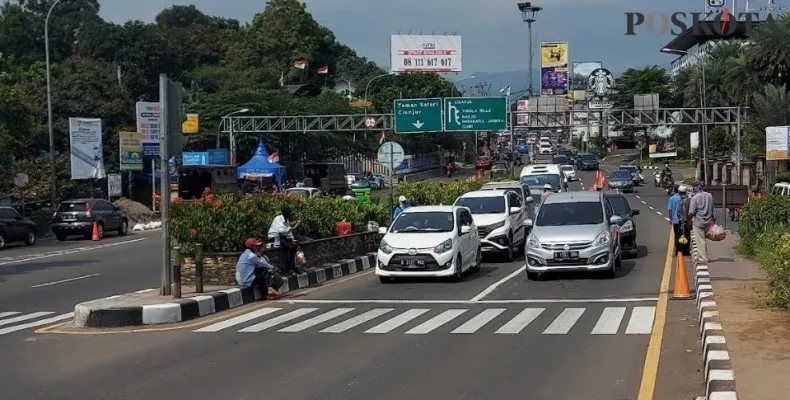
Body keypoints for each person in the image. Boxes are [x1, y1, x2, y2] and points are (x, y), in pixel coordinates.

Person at [267, 205, 302, 275]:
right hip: (274, 236)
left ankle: (294, 267)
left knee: (295, 246)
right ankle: (289, 268)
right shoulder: (278, 218)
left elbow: (288, 233)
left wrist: (292, 239)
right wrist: (294, 227)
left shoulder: (287, 220)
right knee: (289, 247)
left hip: (282, 237)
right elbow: (281, 230)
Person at [688, 184, 715, 263]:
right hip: (708, 221)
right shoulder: (709, 195)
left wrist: (689, 219)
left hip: (699, 222)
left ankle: (704, 258)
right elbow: (713, 208)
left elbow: (691, 212)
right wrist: (714, 219)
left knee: (700, 240)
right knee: (702, 239)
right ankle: (700, 256)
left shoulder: (694, 198)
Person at [677, 187, 692, 256]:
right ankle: (685, 251)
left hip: (684, 221)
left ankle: (684, 251)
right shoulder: (686, 200)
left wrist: (684, 221)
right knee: (685, 236)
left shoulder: (684, 201)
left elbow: (684, 212)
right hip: (686, 221)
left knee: (684, 236)